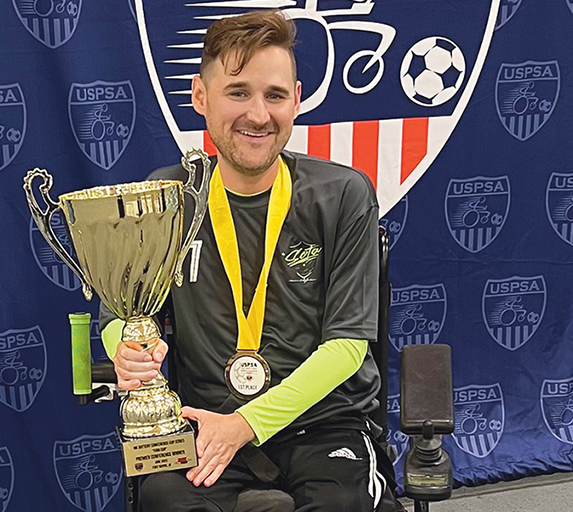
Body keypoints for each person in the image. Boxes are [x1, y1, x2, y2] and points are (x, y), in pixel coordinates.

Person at [100, 10, 396, 512]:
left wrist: (246, 425)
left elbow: (347, 349)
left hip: (325, 424)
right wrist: (126, 351)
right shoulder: (170, 196)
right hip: (207, 422)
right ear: (200, 96)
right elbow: (124, 318)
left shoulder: (342, 193)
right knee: (165, 502)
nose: (259, 114)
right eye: (238, 91)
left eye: (275, 95)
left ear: (297, 100)